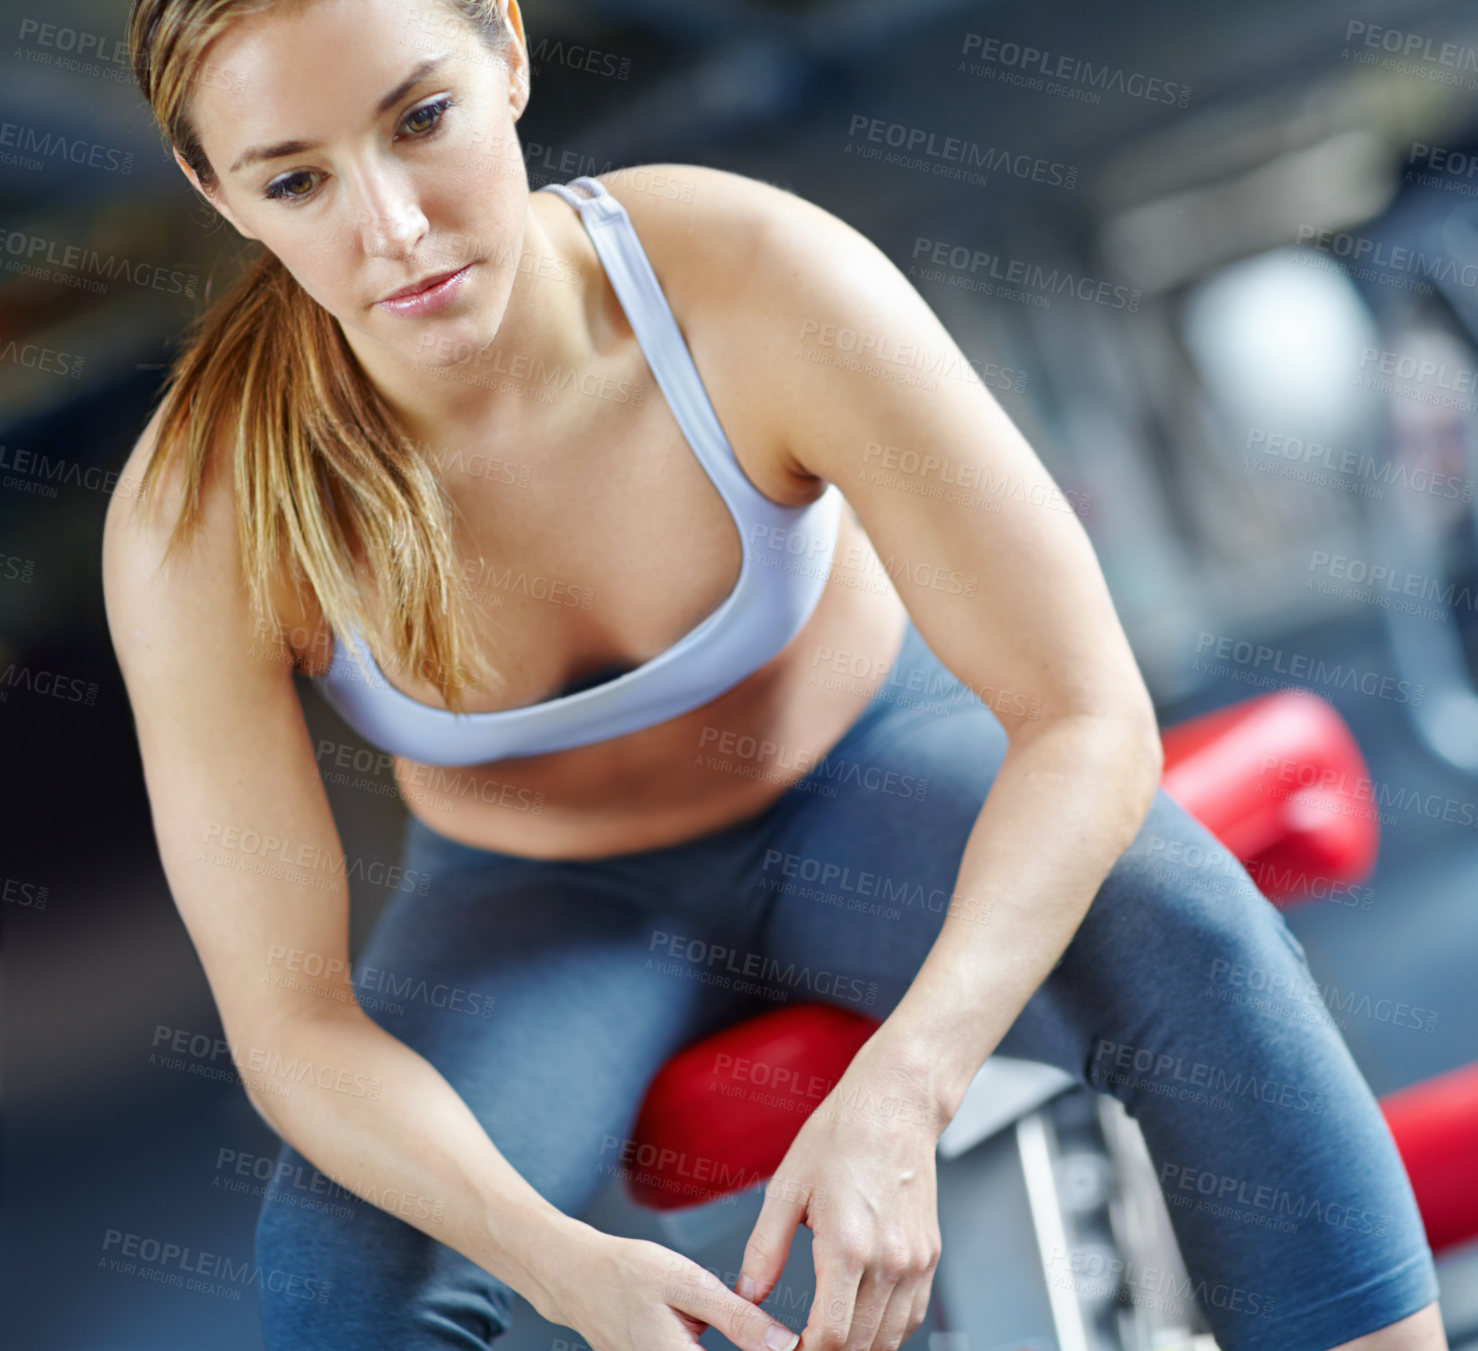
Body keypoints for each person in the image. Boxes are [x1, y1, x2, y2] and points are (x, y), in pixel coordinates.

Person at [103, 2, 1447, 1349]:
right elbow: (291, 1030)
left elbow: (1081, 717)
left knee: (1189, 939)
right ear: (216, 191)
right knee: (346, 1291)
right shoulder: (202, 519)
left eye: (421, 118)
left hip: (867, 781)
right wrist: (564, 1264)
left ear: (507, 54)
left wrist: (907, 1085)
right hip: (540, 911)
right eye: (296, 179)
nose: (391, 225)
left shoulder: (748, 275)